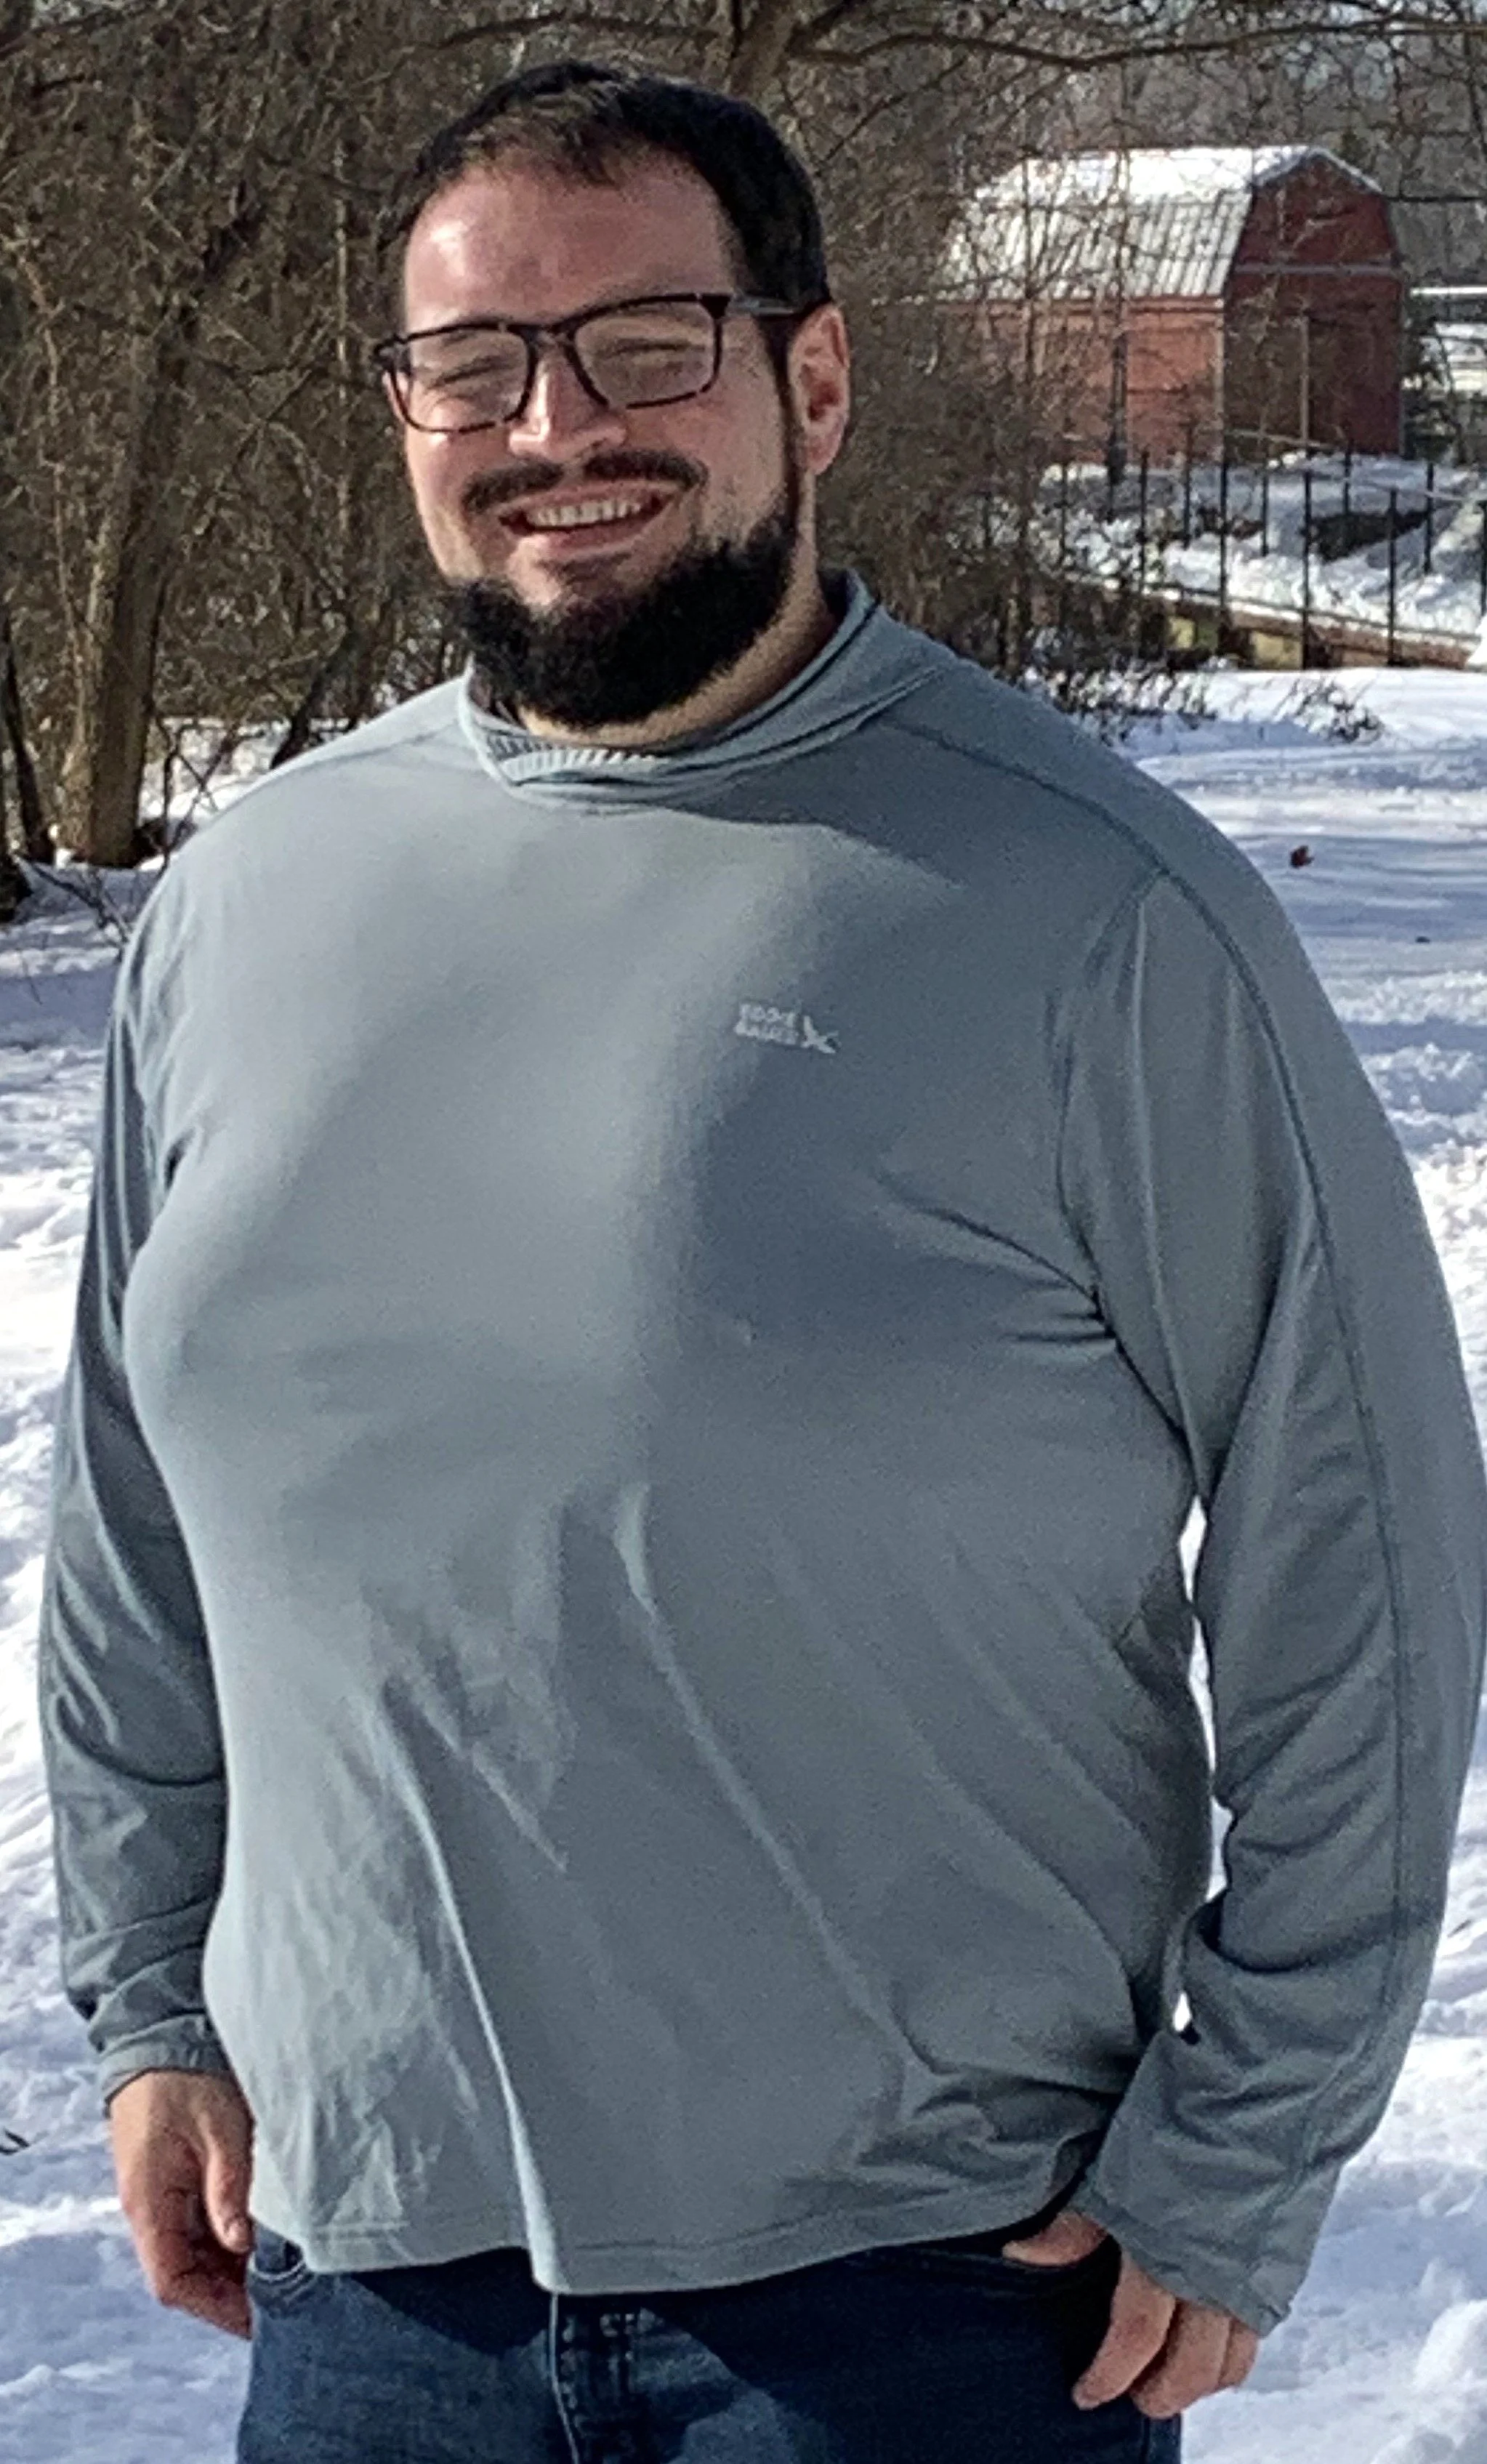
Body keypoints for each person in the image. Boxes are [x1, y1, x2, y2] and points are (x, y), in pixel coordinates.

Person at [36, 58, 1487, 2464]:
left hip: (924, 2301)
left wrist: (1246, 2144)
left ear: (811, 382)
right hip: (370, 2281)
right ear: (402, 413)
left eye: (644, 344)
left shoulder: (1093, 912)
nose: (555, 428)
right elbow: (127, 1517)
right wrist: (152, 2002)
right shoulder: (250, 902)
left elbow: (1363, 1559)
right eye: (474, 365)